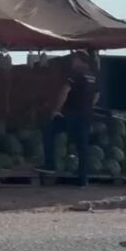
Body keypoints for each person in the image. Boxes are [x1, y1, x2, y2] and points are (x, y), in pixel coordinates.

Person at [42, 51, 99, 187]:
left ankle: (50, 164)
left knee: (49, 130)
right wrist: (88, 107)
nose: (73, 63)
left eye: (74, 60)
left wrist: (56, 110)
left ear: (80, 61)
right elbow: (97, 95)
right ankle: (82, 180)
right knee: (82, 147)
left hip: (71, 115)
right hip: (86, 116)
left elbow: (64, 92)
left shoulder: (74, 75)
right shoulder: (94, 76)